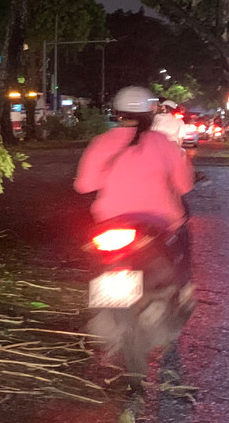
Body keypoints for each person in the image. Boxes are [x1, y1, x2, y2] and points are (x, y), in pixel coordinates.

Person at [75, 85, 195, 284]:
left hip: (110, 221)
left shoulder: (100, 142)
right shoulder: (162, 143)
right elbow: (184, 185)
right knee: (182, 233)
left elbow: (84, 185)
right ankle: (184, 288)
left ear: (118, 114)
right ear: (150, 114)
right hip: (160, 221)